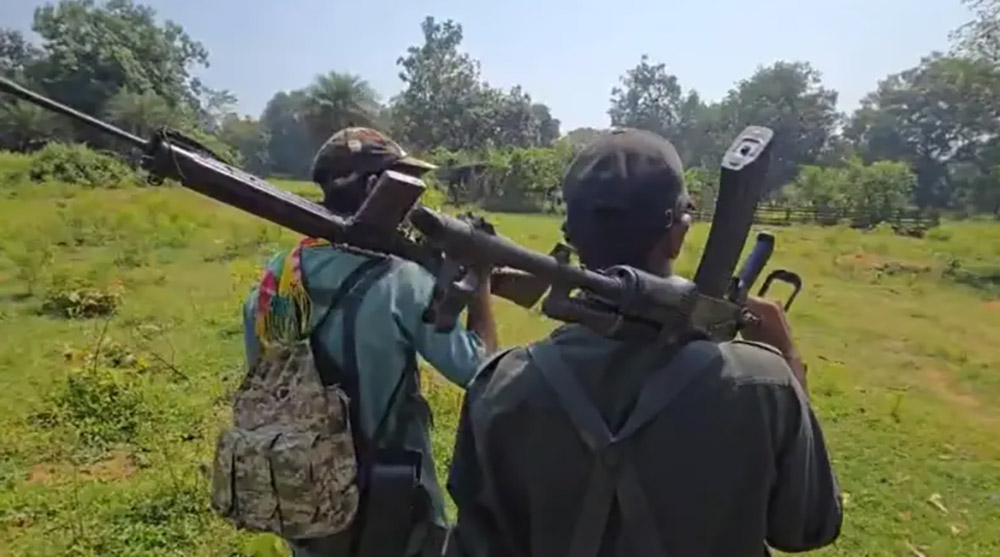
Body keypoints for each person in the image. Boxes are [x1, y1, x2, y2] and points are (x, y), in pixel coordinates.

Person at [444, 128, 842, 557]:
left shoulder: (500, 388)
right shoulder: (764, 384)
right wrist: (788, 359)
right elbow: (809, 527)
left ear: (571, 236)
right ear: (678, 234)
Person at [241, 127, 498, 557]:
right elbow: (481, 372)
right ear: (376, 187)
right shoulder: (402, 282)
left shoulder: (276, 276)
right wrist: (483, 277)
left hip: (303, 496)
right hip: (392, 507)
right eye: (406, 186)